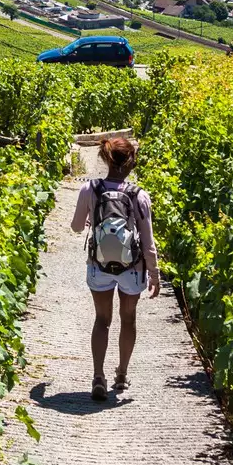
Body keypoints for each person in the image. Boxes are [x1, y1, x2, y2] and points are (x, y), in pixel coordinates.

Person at [70, 134, 158, 400]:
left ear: (106, 160)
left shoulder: (90, 189)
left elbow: (75, 226)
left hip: (99, 265)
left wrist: (91, 223)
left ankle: (98, 375)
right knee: (128, 319)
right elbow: (148, 240)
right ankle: (121, 374)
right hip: (132, 268)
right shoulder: (139, 196)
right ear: (131, 162)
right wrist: (153, 272)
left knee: (102, 320)